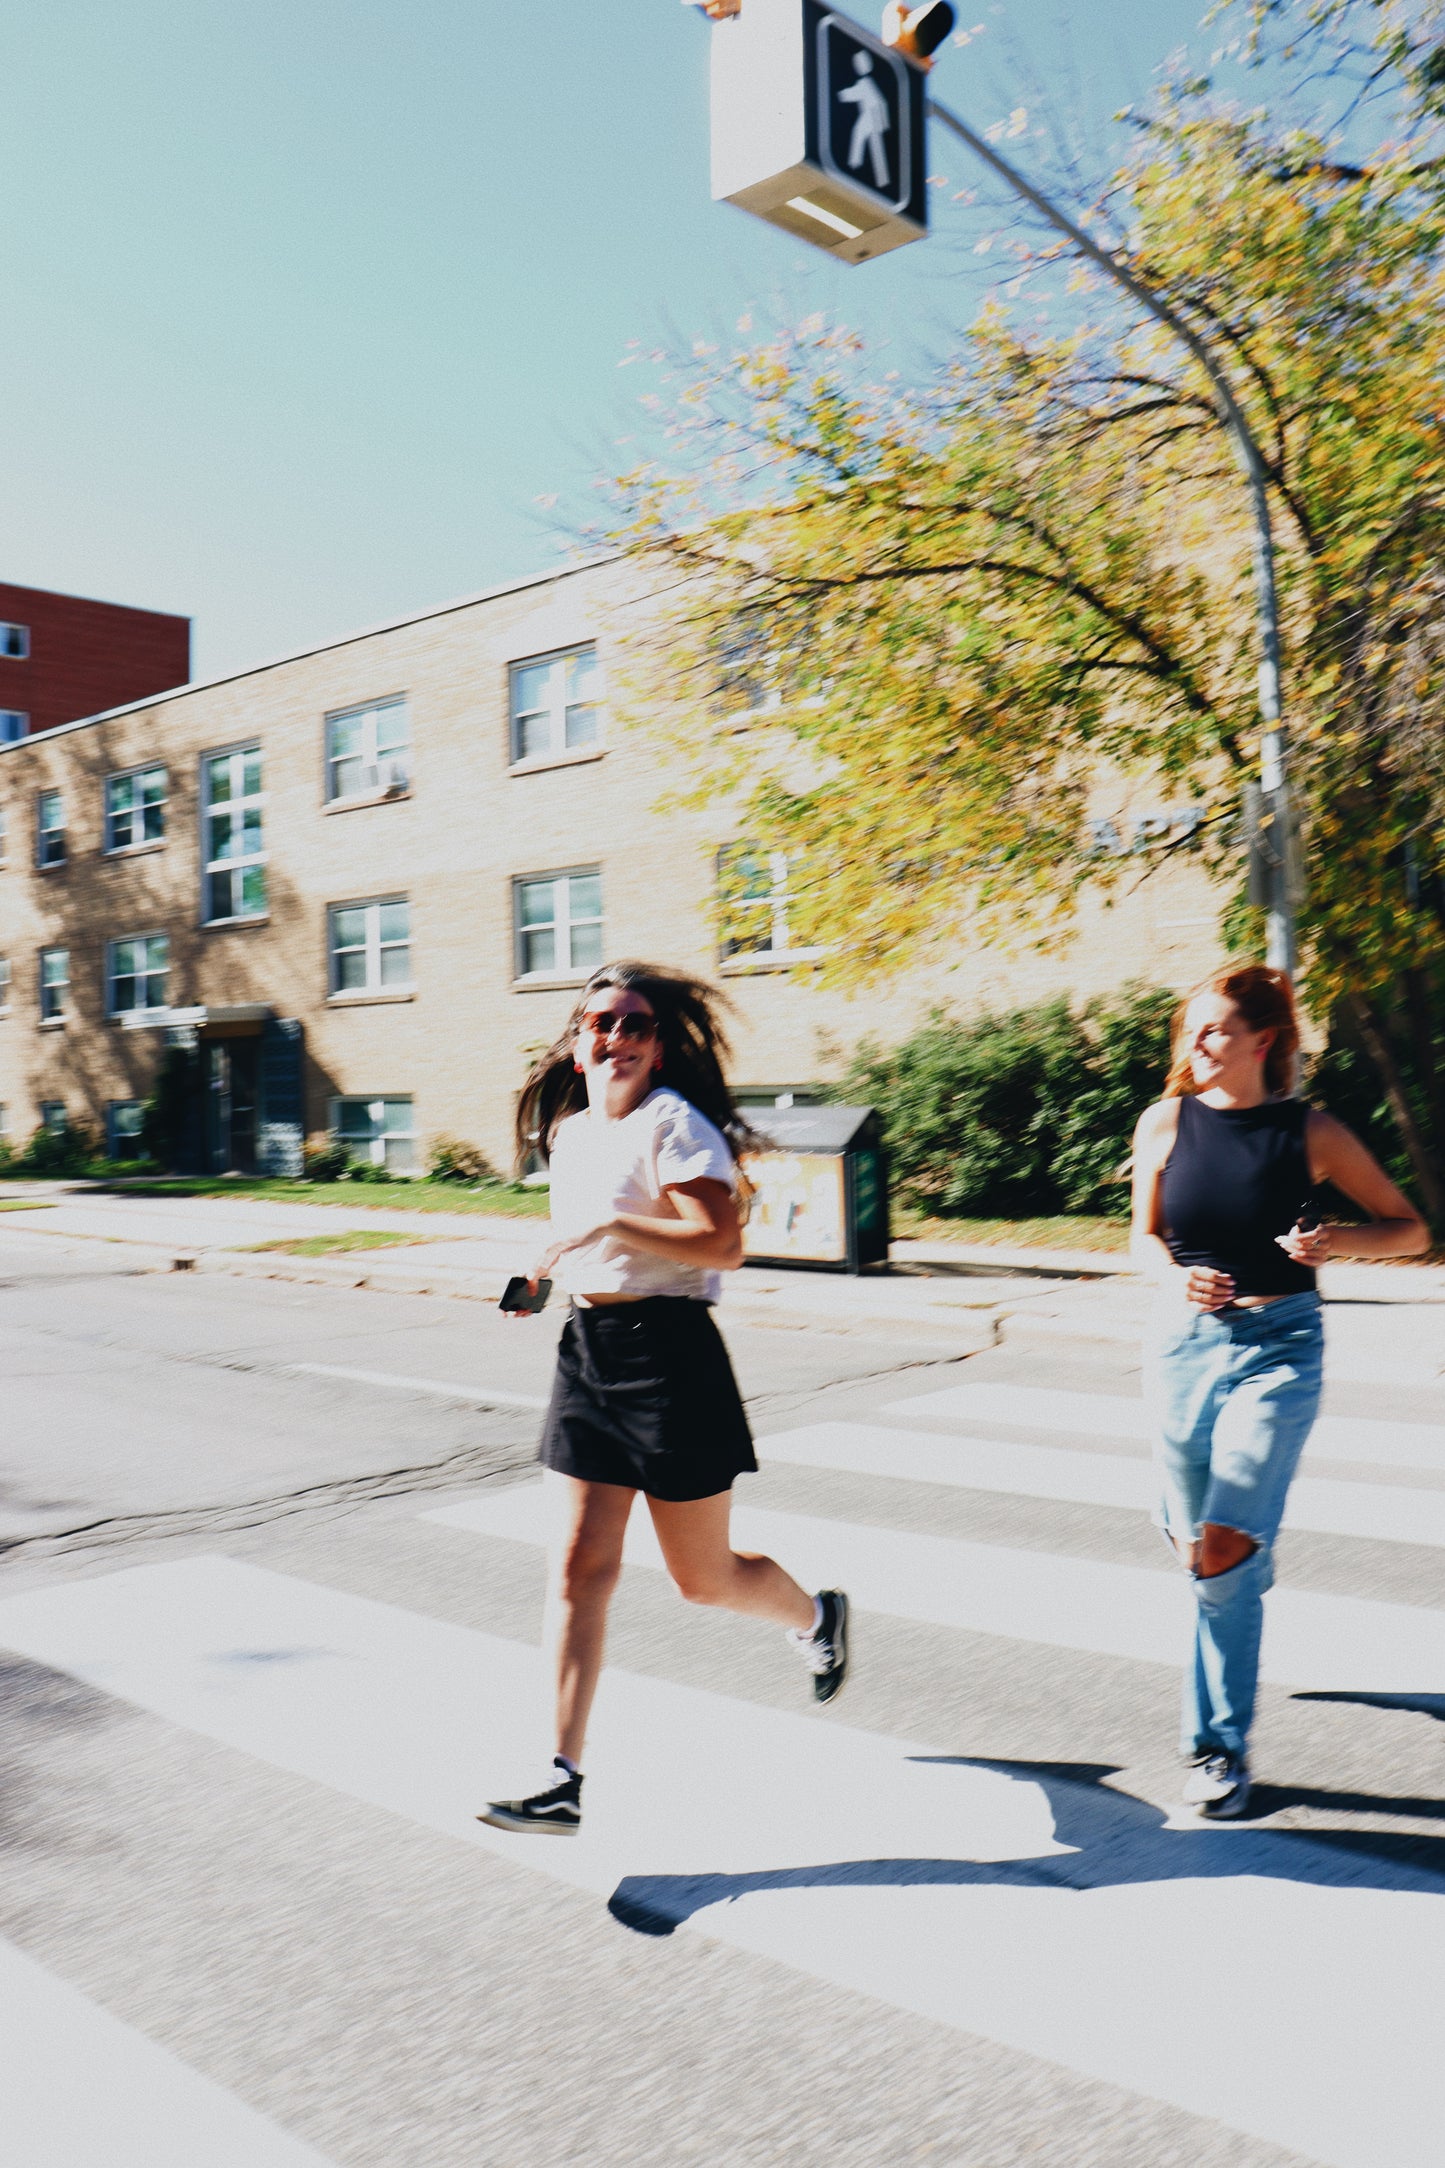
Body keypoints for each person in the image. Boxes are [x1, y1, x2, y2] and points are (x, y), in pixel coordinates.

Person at [480, 962, 849, 1836]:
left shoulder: (674, 1125)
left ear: (655, 1046)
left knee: (703, 1580)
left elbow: (719, 1244)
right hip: (587, 1351)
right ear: (577, 1044)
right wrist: (542, 1271)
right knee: (576, 1569)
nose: (617, 1037)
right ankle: (560, 1776)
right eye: (600, 1023)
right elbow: (586, 1238)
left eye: (635, 1025)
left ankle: (813, 1615)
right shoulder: (571, 1134)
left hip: (670, 1358)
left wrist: (611, 1226)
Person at [1131, 964, 1427, 1820]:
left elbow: (1409, 1229)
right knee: (1199, 1546)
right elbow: (1143, 1238)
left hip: (1280, 1348)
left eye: (1214, 1030)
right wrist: (1173, 1280)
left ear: (1262, 1041)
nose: (1196, 1044)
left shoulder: (1312, 1132)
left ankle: (1216, 1750)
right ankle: (1233, 1564)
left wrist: (1337, 1239)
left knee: (1221, 1549)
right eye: (1190, 1029)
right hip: (1182, 1348)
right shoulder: (1163, 1123)